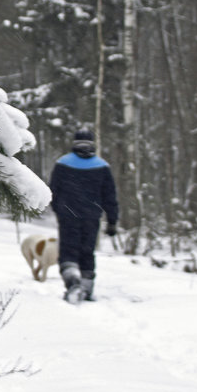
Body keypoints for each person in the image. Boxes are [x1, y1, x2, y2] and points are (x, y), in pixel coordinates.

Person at [49, 128, 119, 304]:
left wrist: (58, 209)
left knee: (68, 250)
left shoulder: (63, 163)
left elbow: (52, 191)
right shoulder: (102, 166)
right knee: (87, 252)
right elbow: (110, 196)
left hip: (68, 215)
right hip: (91, 216)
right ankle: (87, 289)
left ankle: (72, 283)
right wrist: (112, 221)